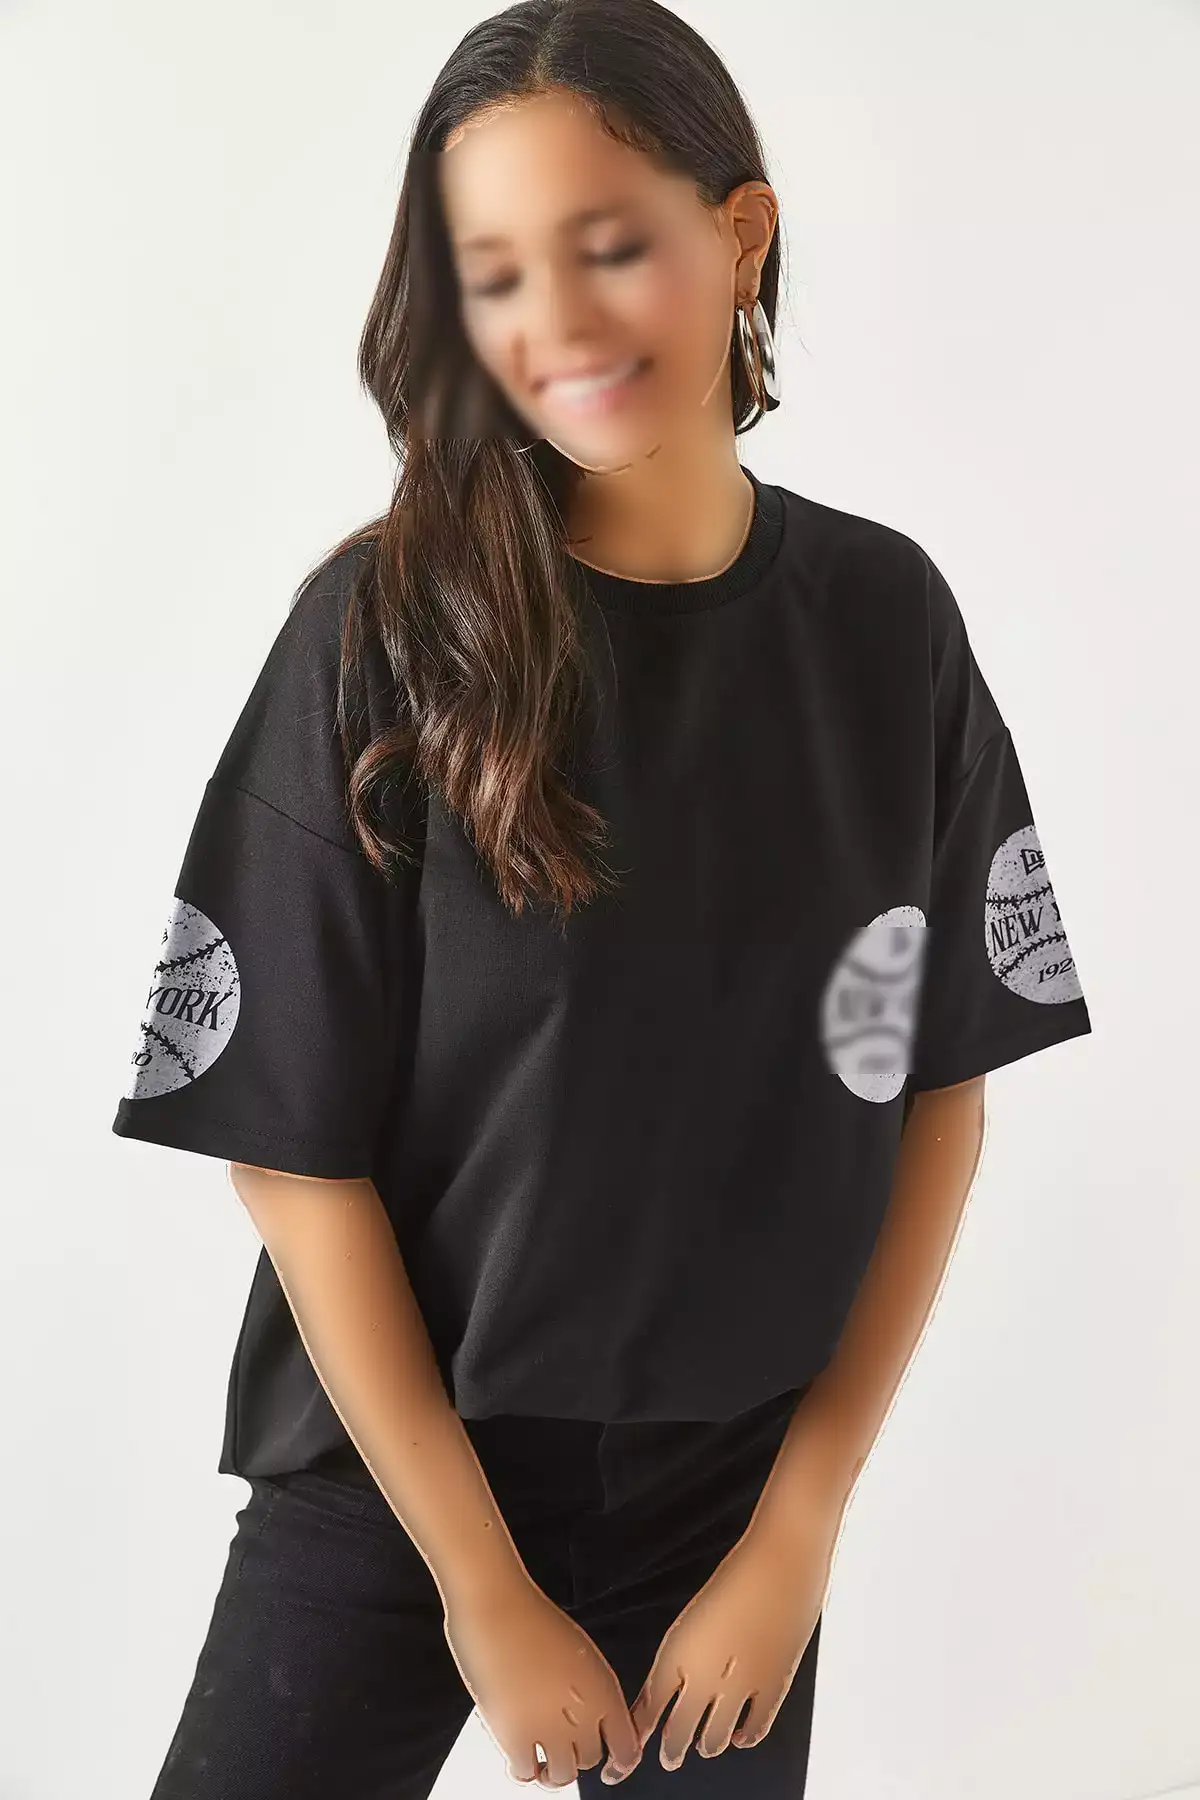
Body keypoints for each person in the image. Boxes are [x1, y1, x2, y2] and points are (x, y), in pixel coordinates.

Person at [112, 2, 1093, 1794]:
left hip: (730, 1503)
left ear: (742, 232)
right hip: (392, 1489)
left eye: (609, 246)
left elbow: (937, 1083)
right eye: (494, 274)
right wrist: (482, 1588)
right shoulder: (382, 635)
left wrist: (797, 1532)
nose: (553, 321)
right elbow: (292, 1153)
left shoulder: (885, 628)